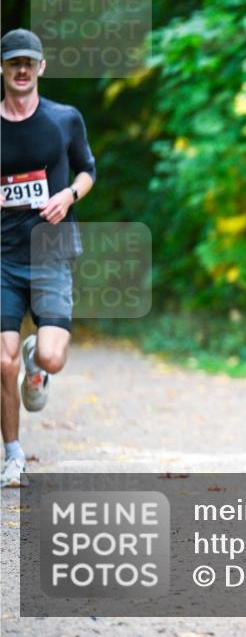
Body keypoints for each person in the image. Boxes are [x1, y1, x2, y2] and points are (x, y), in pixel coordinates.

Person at [0, 28, 96, 487]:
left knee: (54, 358)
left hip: (51, 253)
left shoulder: (64, 119)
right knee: (2, 361)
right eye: (13, 62)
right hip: (2, 257)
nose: (21, 69)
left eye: (28, 62)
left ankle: (40, 360)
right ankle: (13, 455)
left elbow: (88, 170)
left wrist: (69, 195)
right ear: (2, 68)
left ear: (42, 67)